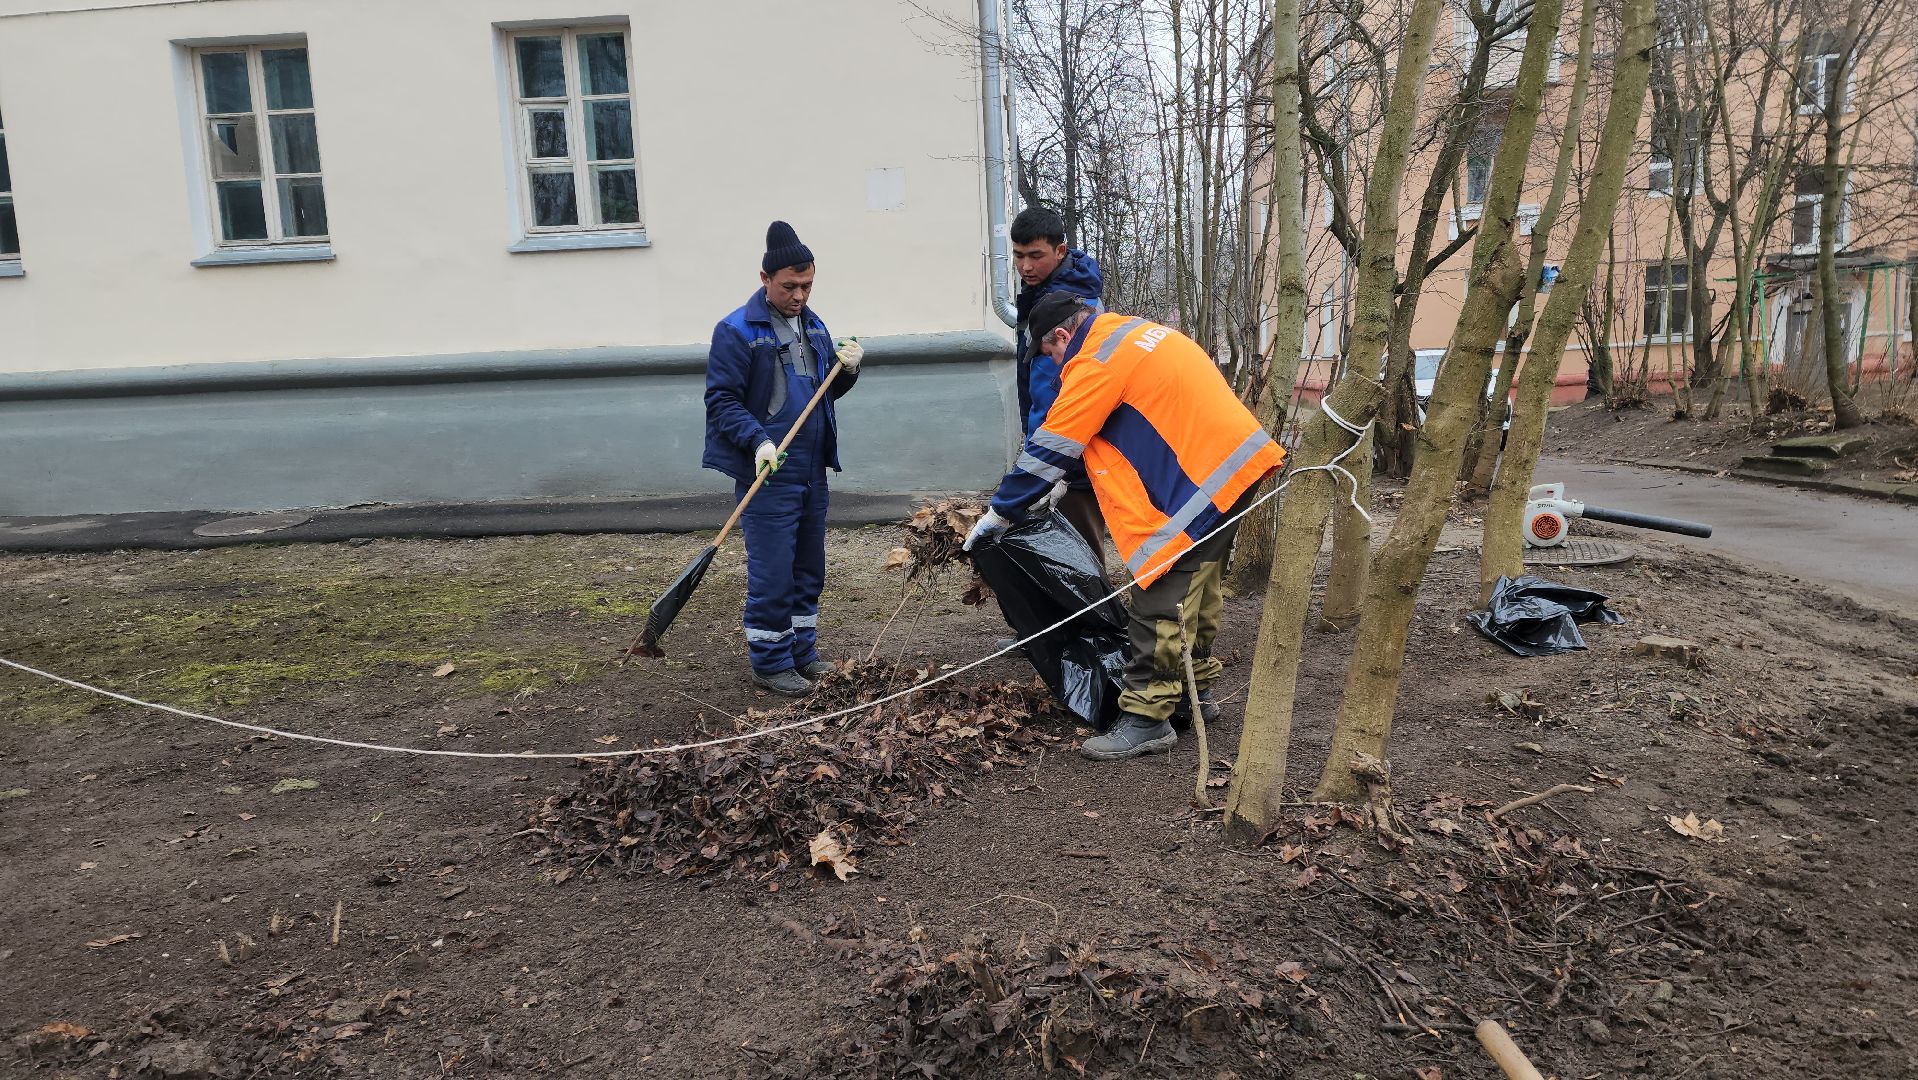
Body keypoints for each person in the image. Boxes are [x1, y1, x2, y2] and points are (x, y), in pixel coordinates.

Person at [964, 296, 1285, 760]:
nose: (1055, 364)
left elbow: (1050, 447)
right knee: (1200, 583)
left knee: (1160, 591)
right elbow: (1120, 423)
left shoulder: (1094, 361)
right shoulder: (1131, 334)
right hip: (1234, 466)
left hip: (1197, 481)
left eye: (1051, 353)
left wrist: (1001, 512)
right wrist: (1061, 483)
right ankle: (1195, 694)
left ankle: (1147, 718)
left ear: (1062, 335)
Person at [702, 221, 861, 696]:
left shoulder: (814, 324)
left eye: (807, 285)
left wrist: (848, 371)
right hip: (768, 472)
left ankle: (802, 653)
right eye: (790, 286)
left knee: (809, 569)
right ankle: (770, 661)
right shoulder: (736, 330)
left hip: (813, 470)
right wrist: (757, 441)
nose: (800, 296)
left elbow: (823, 393)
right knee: (773, 572)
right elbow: (721, 401)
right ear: (765, 278)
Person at [1009, 207, 1107, 562]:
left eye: (1036, 256)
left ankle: (1095, 602)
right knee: (1060, 553)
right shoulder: (1041, 295)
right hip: (1051, 446)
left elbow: (1066, 394)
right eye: (1019, 255)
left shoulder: (1073, 306)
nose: (1025, 266)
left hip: (1071, 459)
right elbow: (1034, 383)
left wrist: (1053, 466)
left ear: (1060, 251)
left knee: (1081, 558)